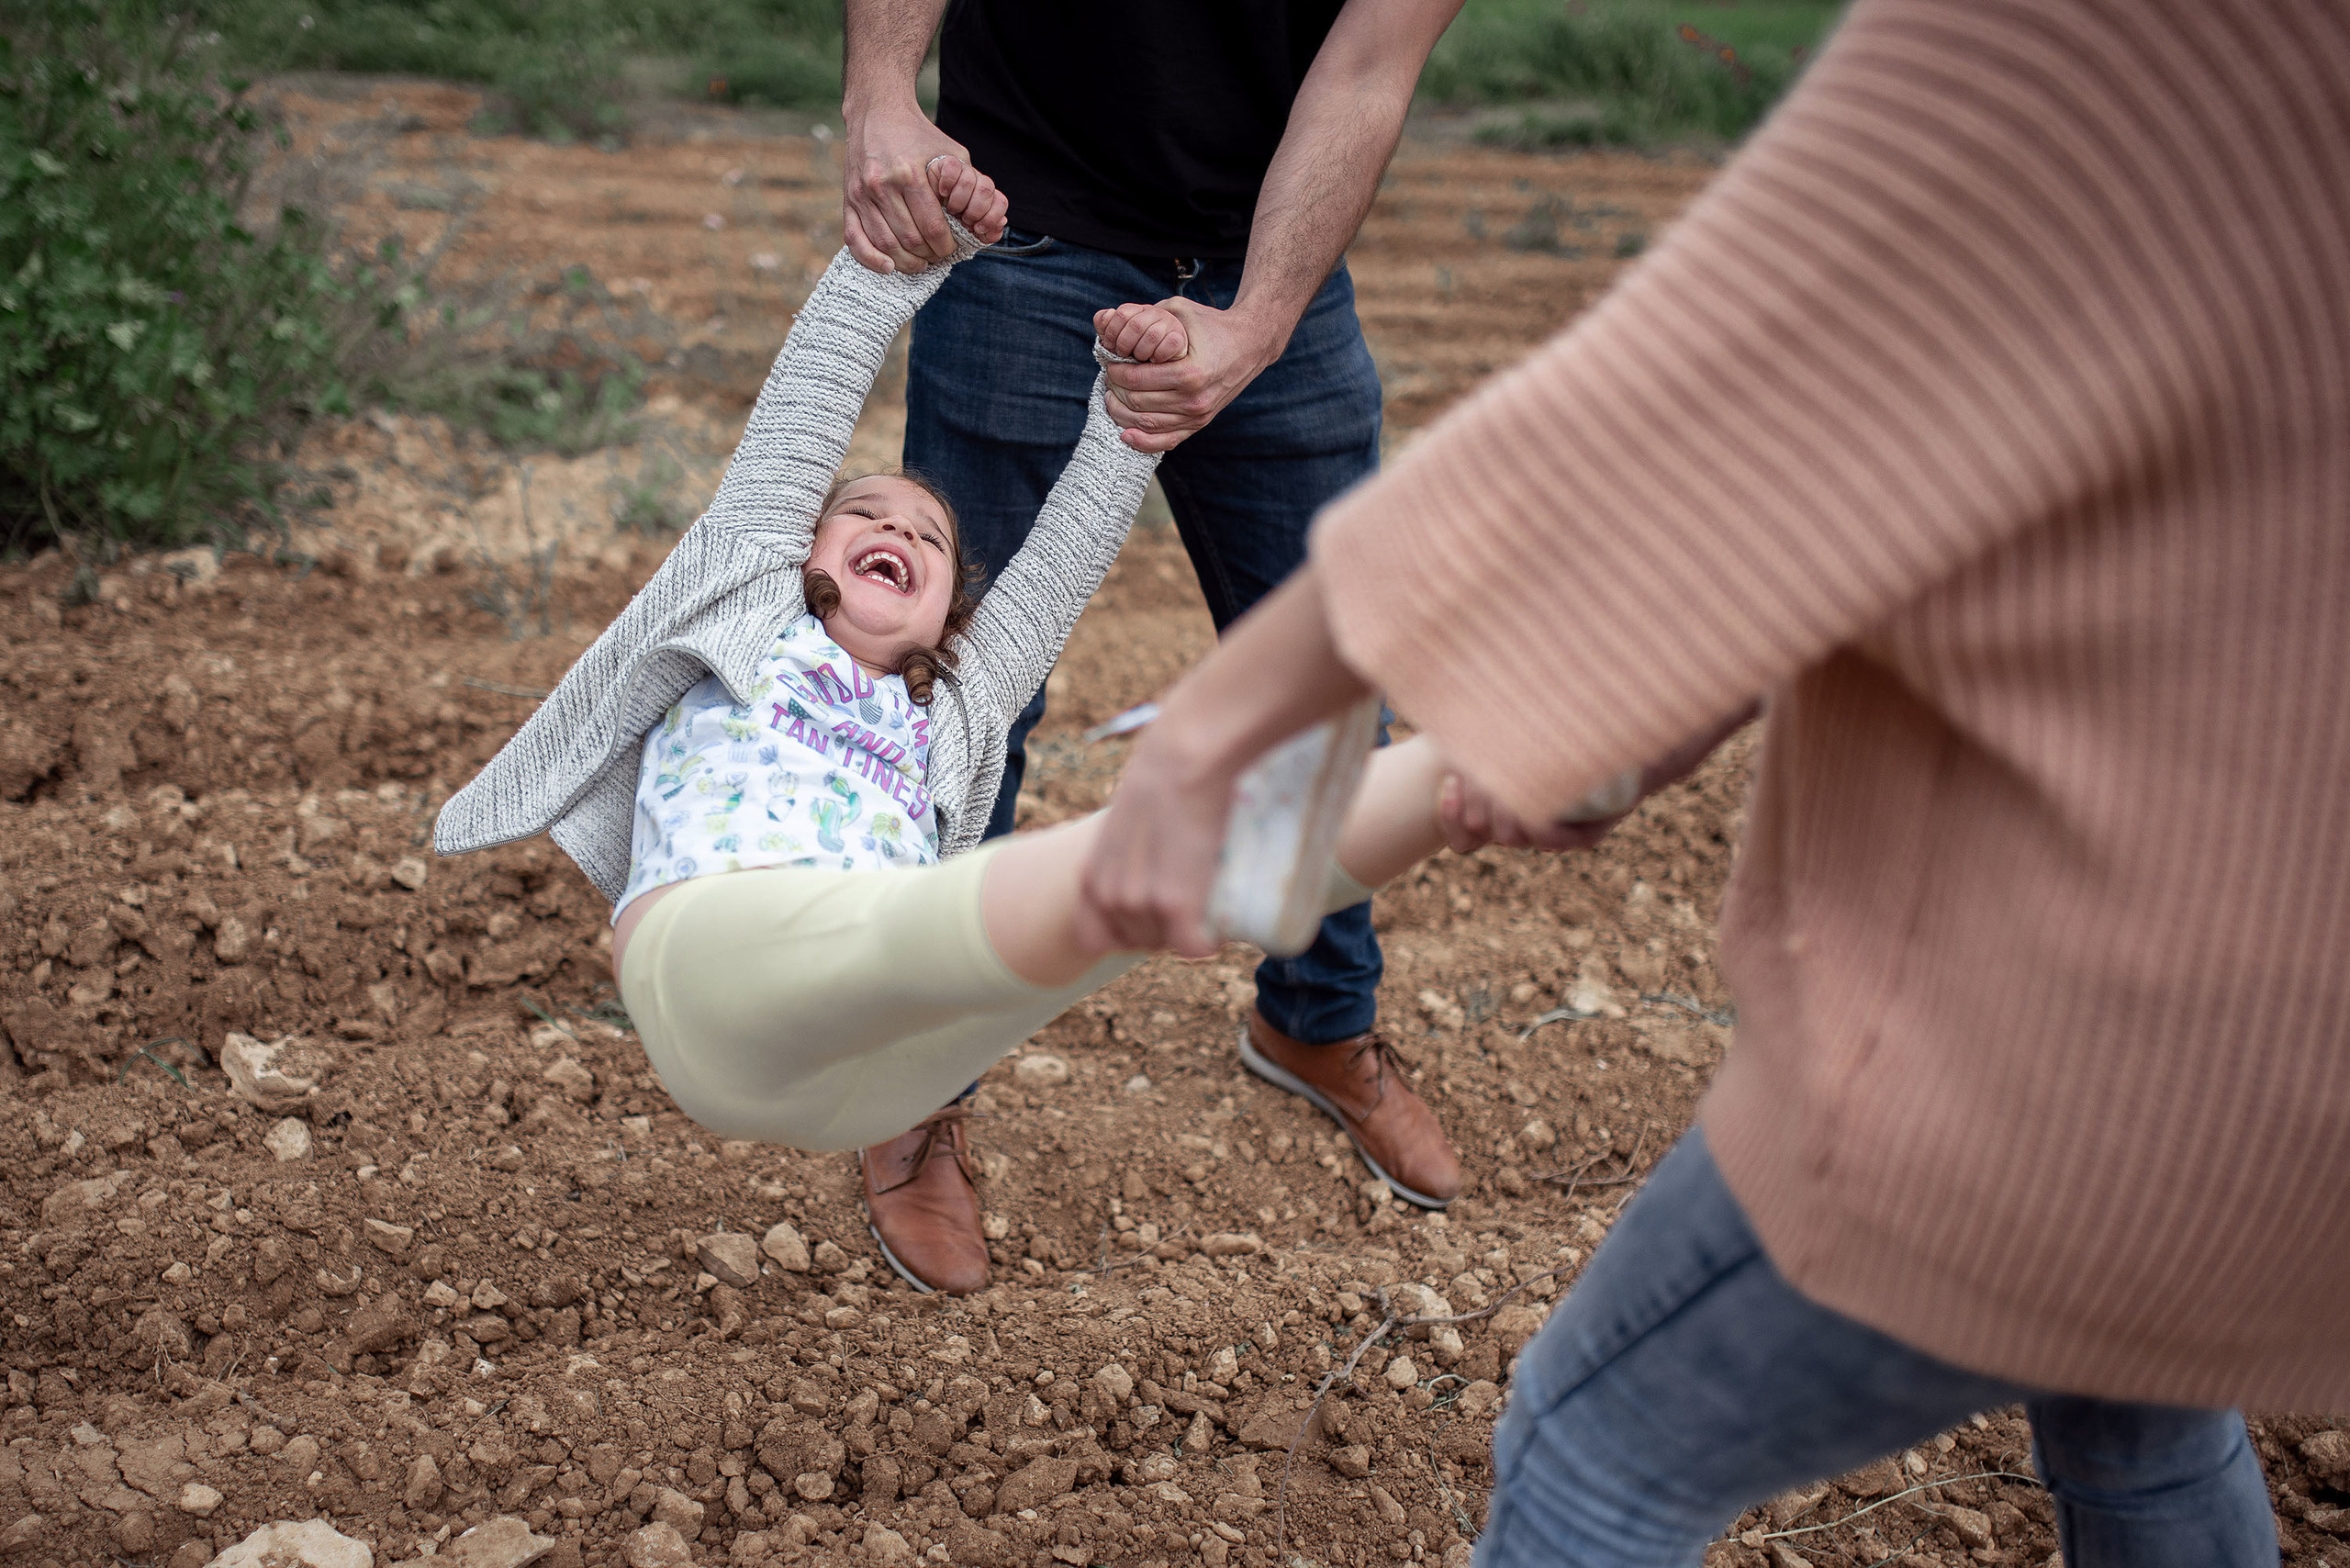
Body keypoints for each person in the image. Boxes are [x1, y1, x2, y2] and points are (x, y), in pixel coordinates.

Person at [1070, 1, 2350, 1564]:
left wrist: (1219, 726)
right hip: (2301, 1084)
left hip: (2097, 1044)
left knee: (1596, 1450)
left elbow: (1689, 407)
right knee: (2132, 1403)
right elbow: (1975, 435)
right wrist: (1619, 713)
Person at [836, 0, 1473, 1294]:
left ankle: (1317, 1024)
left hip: (1264, 264)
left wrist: (1258, 323)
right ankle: (910, 1086)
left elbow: (1362, 74)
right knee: (968, 700)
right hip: (1020, 237)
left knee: (1333, 692)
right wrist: (881, 90)